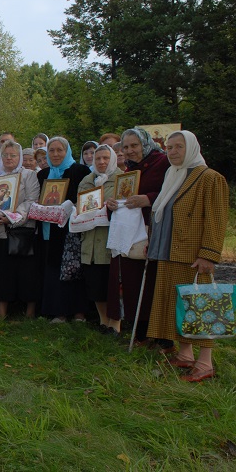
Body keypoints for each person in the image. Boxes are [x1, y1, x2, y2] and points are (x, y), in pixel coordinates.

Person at [146, 131, 228, 381]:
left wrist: (209, 254)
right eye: (169, 147)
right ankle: (185, 354)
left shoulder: (210, 178)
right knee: (178, 305)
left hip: (193, 255)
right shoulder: (173, 175)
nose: (172, 152)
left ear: (192, 147)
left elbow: (216, 219)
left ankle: (205, 363)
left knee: (200, 306)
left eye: (178, 147)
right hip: (170, 251)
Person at [104, 127, 170, 342]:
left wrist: (148, 199)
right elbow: (124, 199)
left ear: (145, 144)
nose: (130, 150)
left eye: (135, 145)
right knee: (132, 281)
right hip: (129, 234)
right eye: (126, 147)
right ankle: (139, 332)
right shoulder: (128, 170)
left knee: (152, 282)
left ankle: (158, 335)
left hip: (154, 232)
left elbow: (173, 194)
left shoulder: (163, 163)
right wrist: (112, 205)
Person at [37, 137, 90, 323]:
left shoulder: (80, 171)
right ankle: (58, 311)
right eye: (51, 150)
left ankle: (79, 311)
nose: (56, 154)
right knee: (53, 268)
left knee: (74, 268)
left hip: (71, 229)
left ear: (67, 152)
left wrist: (70, 206)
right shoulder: (43, 175)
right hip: (49, 228)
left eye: (60, 150)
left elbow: (87, 198)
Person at [0, 140, 40, 319]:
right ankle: (2, 313)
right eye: (5, 155)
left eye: (13, 155)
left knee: (27, 273)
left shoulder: (28, 175)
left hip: (22, 231)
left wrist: (12, 217)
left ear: (19, 157)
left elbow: (32, 200)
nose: (9, 158)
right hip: (0, 232)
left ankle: (29, 313)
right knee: (3, 272)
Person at [77, 145, 122, 329]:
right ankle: (103, 320)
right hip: (90, 240)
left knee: (113, 285)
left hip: (110, 240)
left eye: (105, 158)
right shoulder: (87, 181)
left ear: (112, 159)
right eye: (98, 158)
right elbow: (80, 206)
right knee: (95, 283)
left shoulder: (121, 178)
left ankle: (115, 323)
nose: (101, 162)